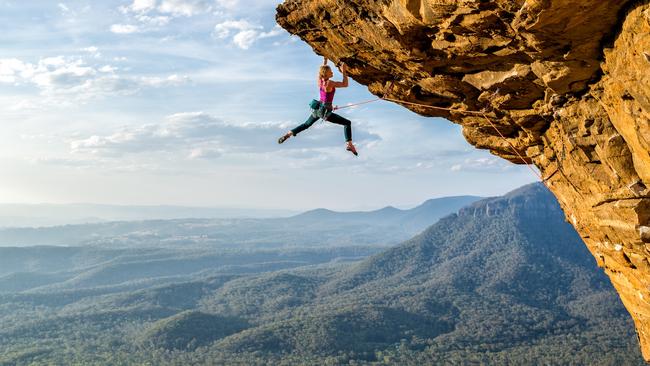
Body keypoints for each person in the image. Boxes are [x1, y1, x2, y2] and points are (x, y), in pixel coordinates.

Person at [277, 58, 358, 156]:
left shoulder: (320, 81)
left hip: (318, 109)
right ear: (326, 74)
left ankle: (289, 134)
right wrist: (344, 71)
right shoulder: (329, 83)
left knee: (306, 124)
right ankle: (349, 144)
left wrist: (325, 61)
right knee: (347, 123)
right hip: (324, 111)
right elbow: (345, 84)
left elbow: (320, 73)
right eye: (330, 71)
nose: (332, 72)